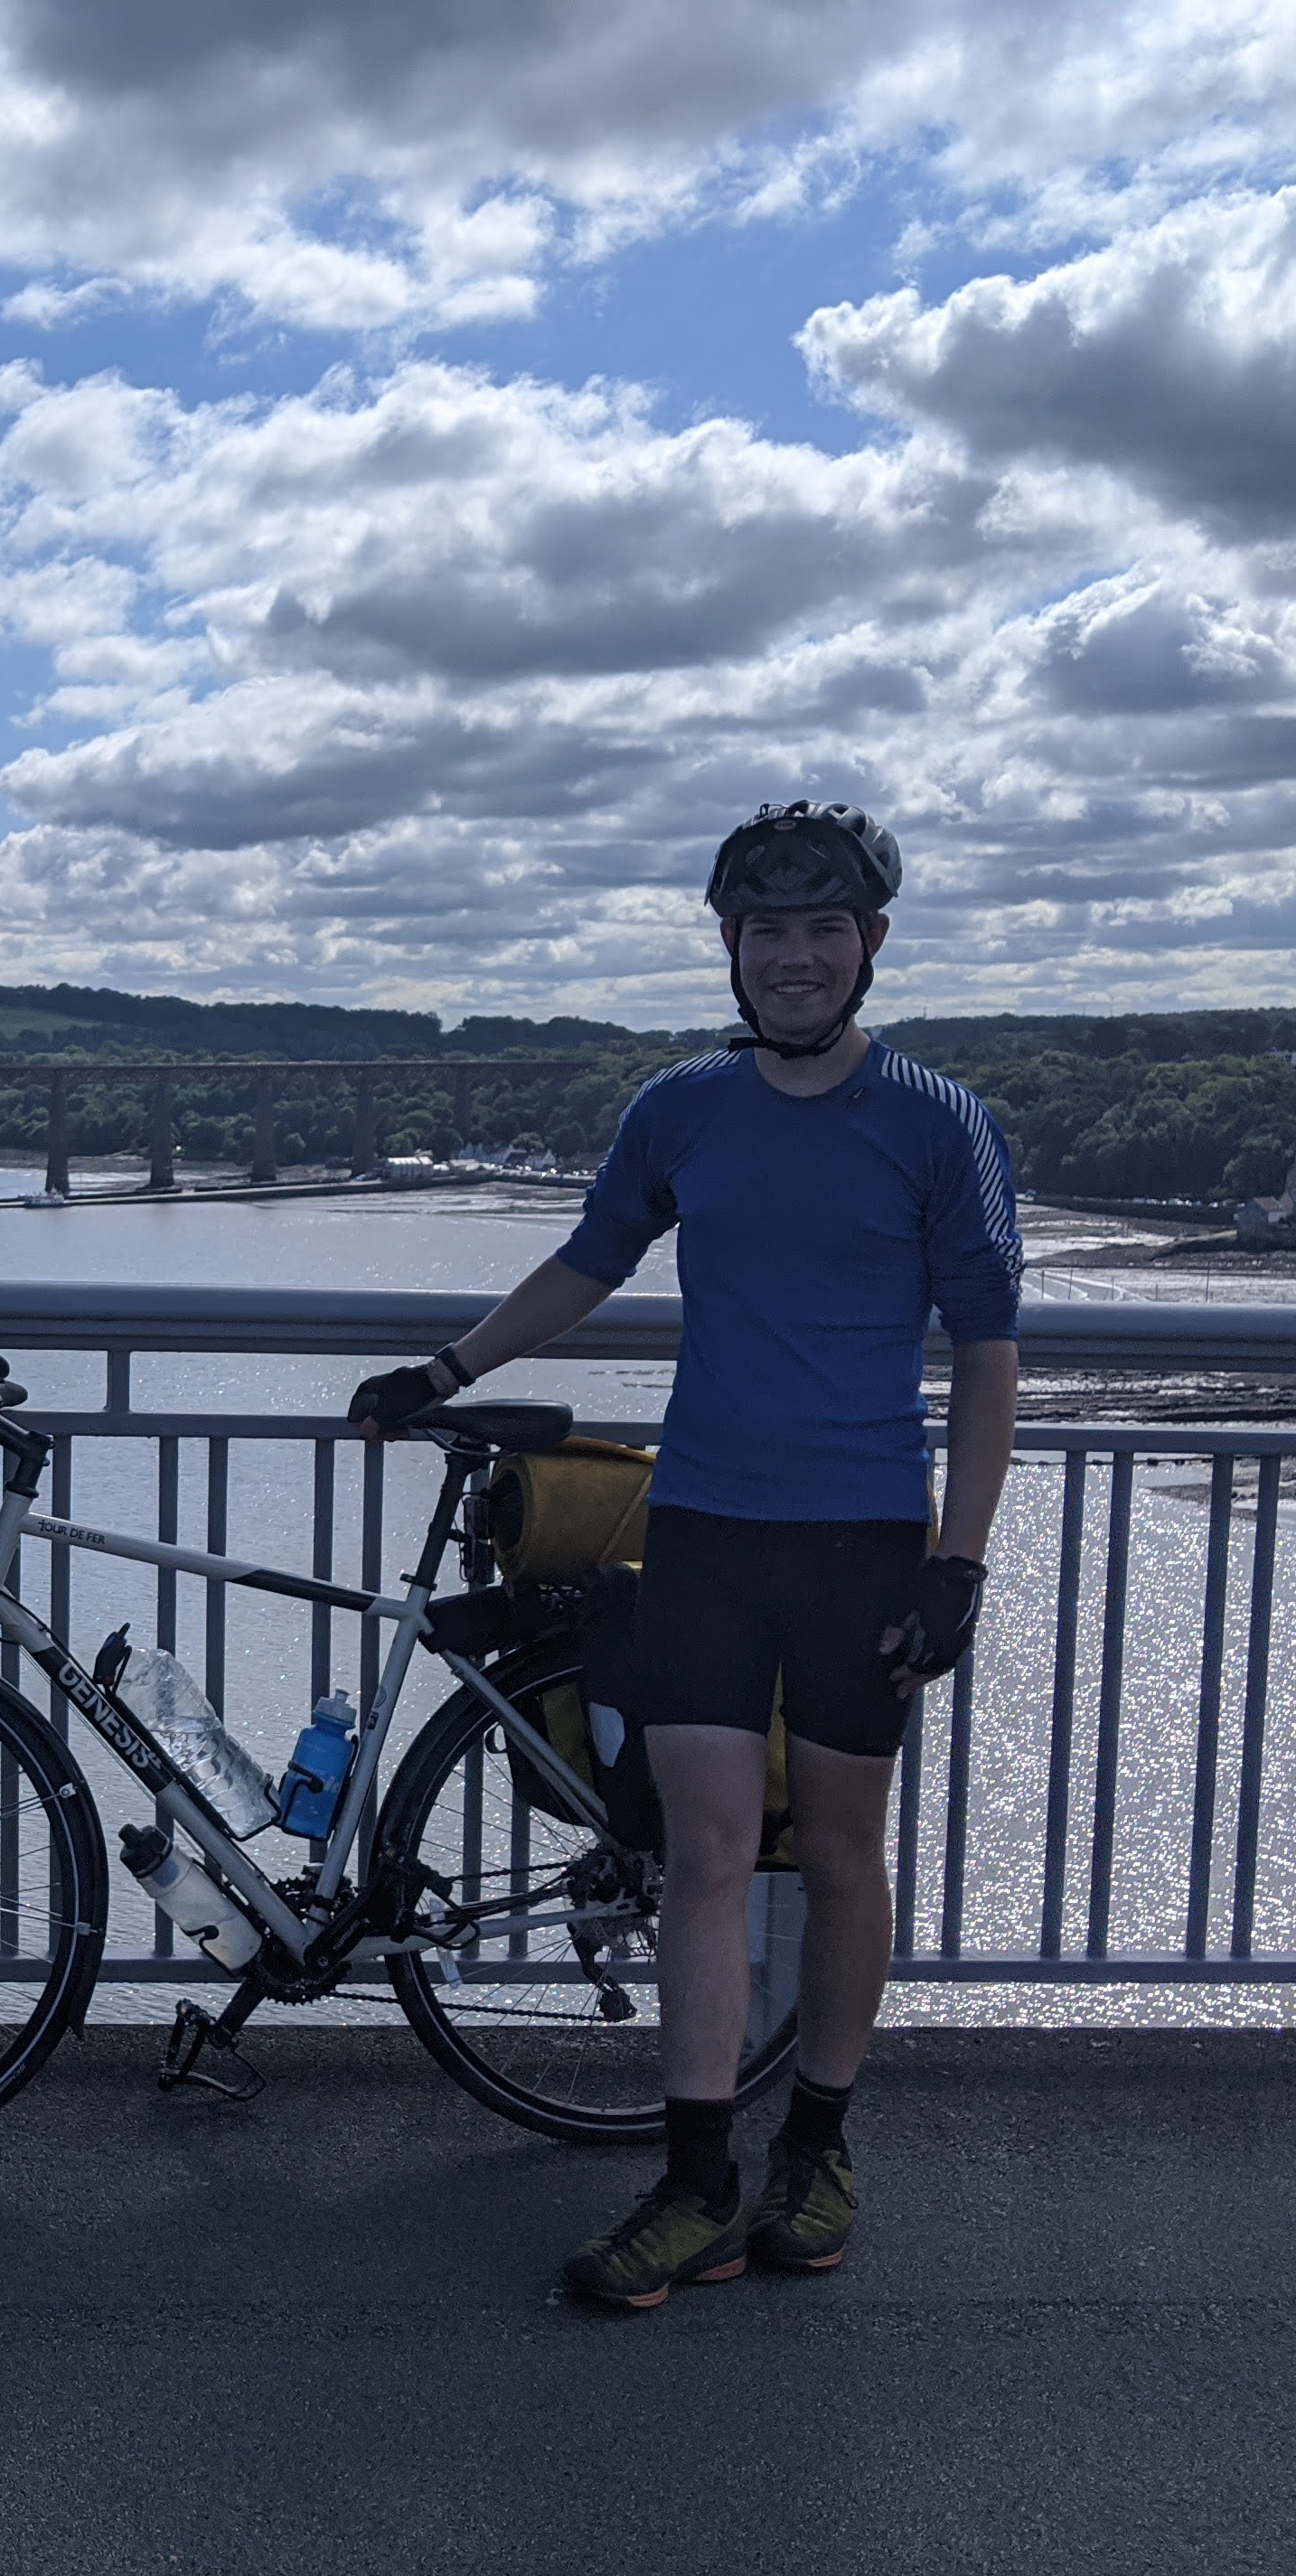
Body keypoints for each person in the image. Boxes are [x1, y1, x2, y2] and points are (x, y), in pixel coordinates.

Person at [351, 801, 1021, 2309]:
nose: (794, 957)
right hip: (706, 1528)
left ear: (870, 948)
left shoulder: (939, 1123)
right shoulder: (679, 1111)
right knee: (704, 1859)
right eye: (766, 931)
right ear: (730, 949)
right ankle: (697, 2181)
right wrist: (444, 1375)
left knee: (841, 1856)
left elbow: (989, 1354)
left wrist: (958, 1562)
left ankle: (821, 2150)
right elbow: (591, 1260)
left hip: (862, 1541)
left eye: (822, 930)